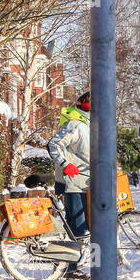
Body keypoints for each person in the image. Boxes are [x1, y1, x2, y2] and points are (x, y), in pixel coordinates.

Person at [47, 90, 91, 239]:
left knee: (85, 229)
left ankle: (77, 259)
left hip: (87, 183)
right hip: (74, 185)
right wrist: (65, 164)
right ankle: (71, 262)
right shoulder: (76, 125)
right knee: (78, 229)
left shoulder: (89, 125)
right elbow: (54, 144)